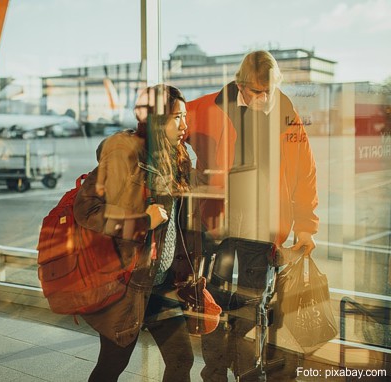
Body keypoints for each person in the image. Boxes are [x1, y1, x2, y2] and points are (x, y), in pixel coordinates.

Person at [185, 51, 319, 381]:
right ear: (241, 85)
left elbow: (305, 170)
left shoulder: (285, 110)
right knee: (213, 302)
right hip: (220, 225)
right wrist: (186, 171)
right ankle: (214, 371)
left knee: (251, 305)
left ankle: (244, 367)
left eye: (269, 90)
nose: (264, 98)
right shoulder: (210, 106)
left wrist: (306, 226)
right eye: (257, 91)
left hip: (263, 228)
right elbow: (167, 129)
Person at [74, 84, 195, 382]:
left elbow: (180, 222)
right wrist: (142, 221)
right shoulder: (125, 157)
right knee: (111, 366)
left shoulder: (178, 158)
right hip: (127, 285)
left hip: (162, 283)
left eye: (185, 116)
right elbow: (86, 210)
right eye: (177, 117)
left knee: (182, 359)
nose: (184, 125)